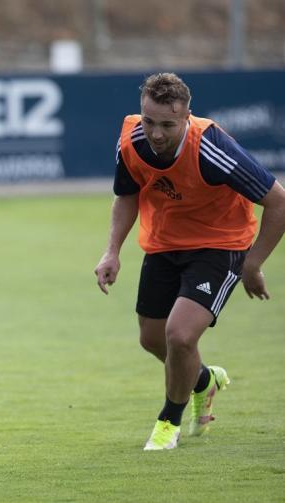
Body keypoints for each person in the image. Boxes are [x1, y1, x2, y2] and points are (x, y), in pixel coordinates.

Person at [94, 72, 285, 450]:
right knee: (152, 339)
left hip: (220, 245)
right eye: (149, 121)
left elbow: (278, 201)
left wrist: (252, 263)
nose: (156, 133)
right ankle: (202, 381)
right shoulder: (131, 140)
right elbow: (127, 195)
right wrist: (112, 250)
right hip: (165, 244)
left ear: (187, 117)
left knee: (179, 336)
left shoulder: (212, 148)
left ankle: (169, 423)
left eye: (168, 124)